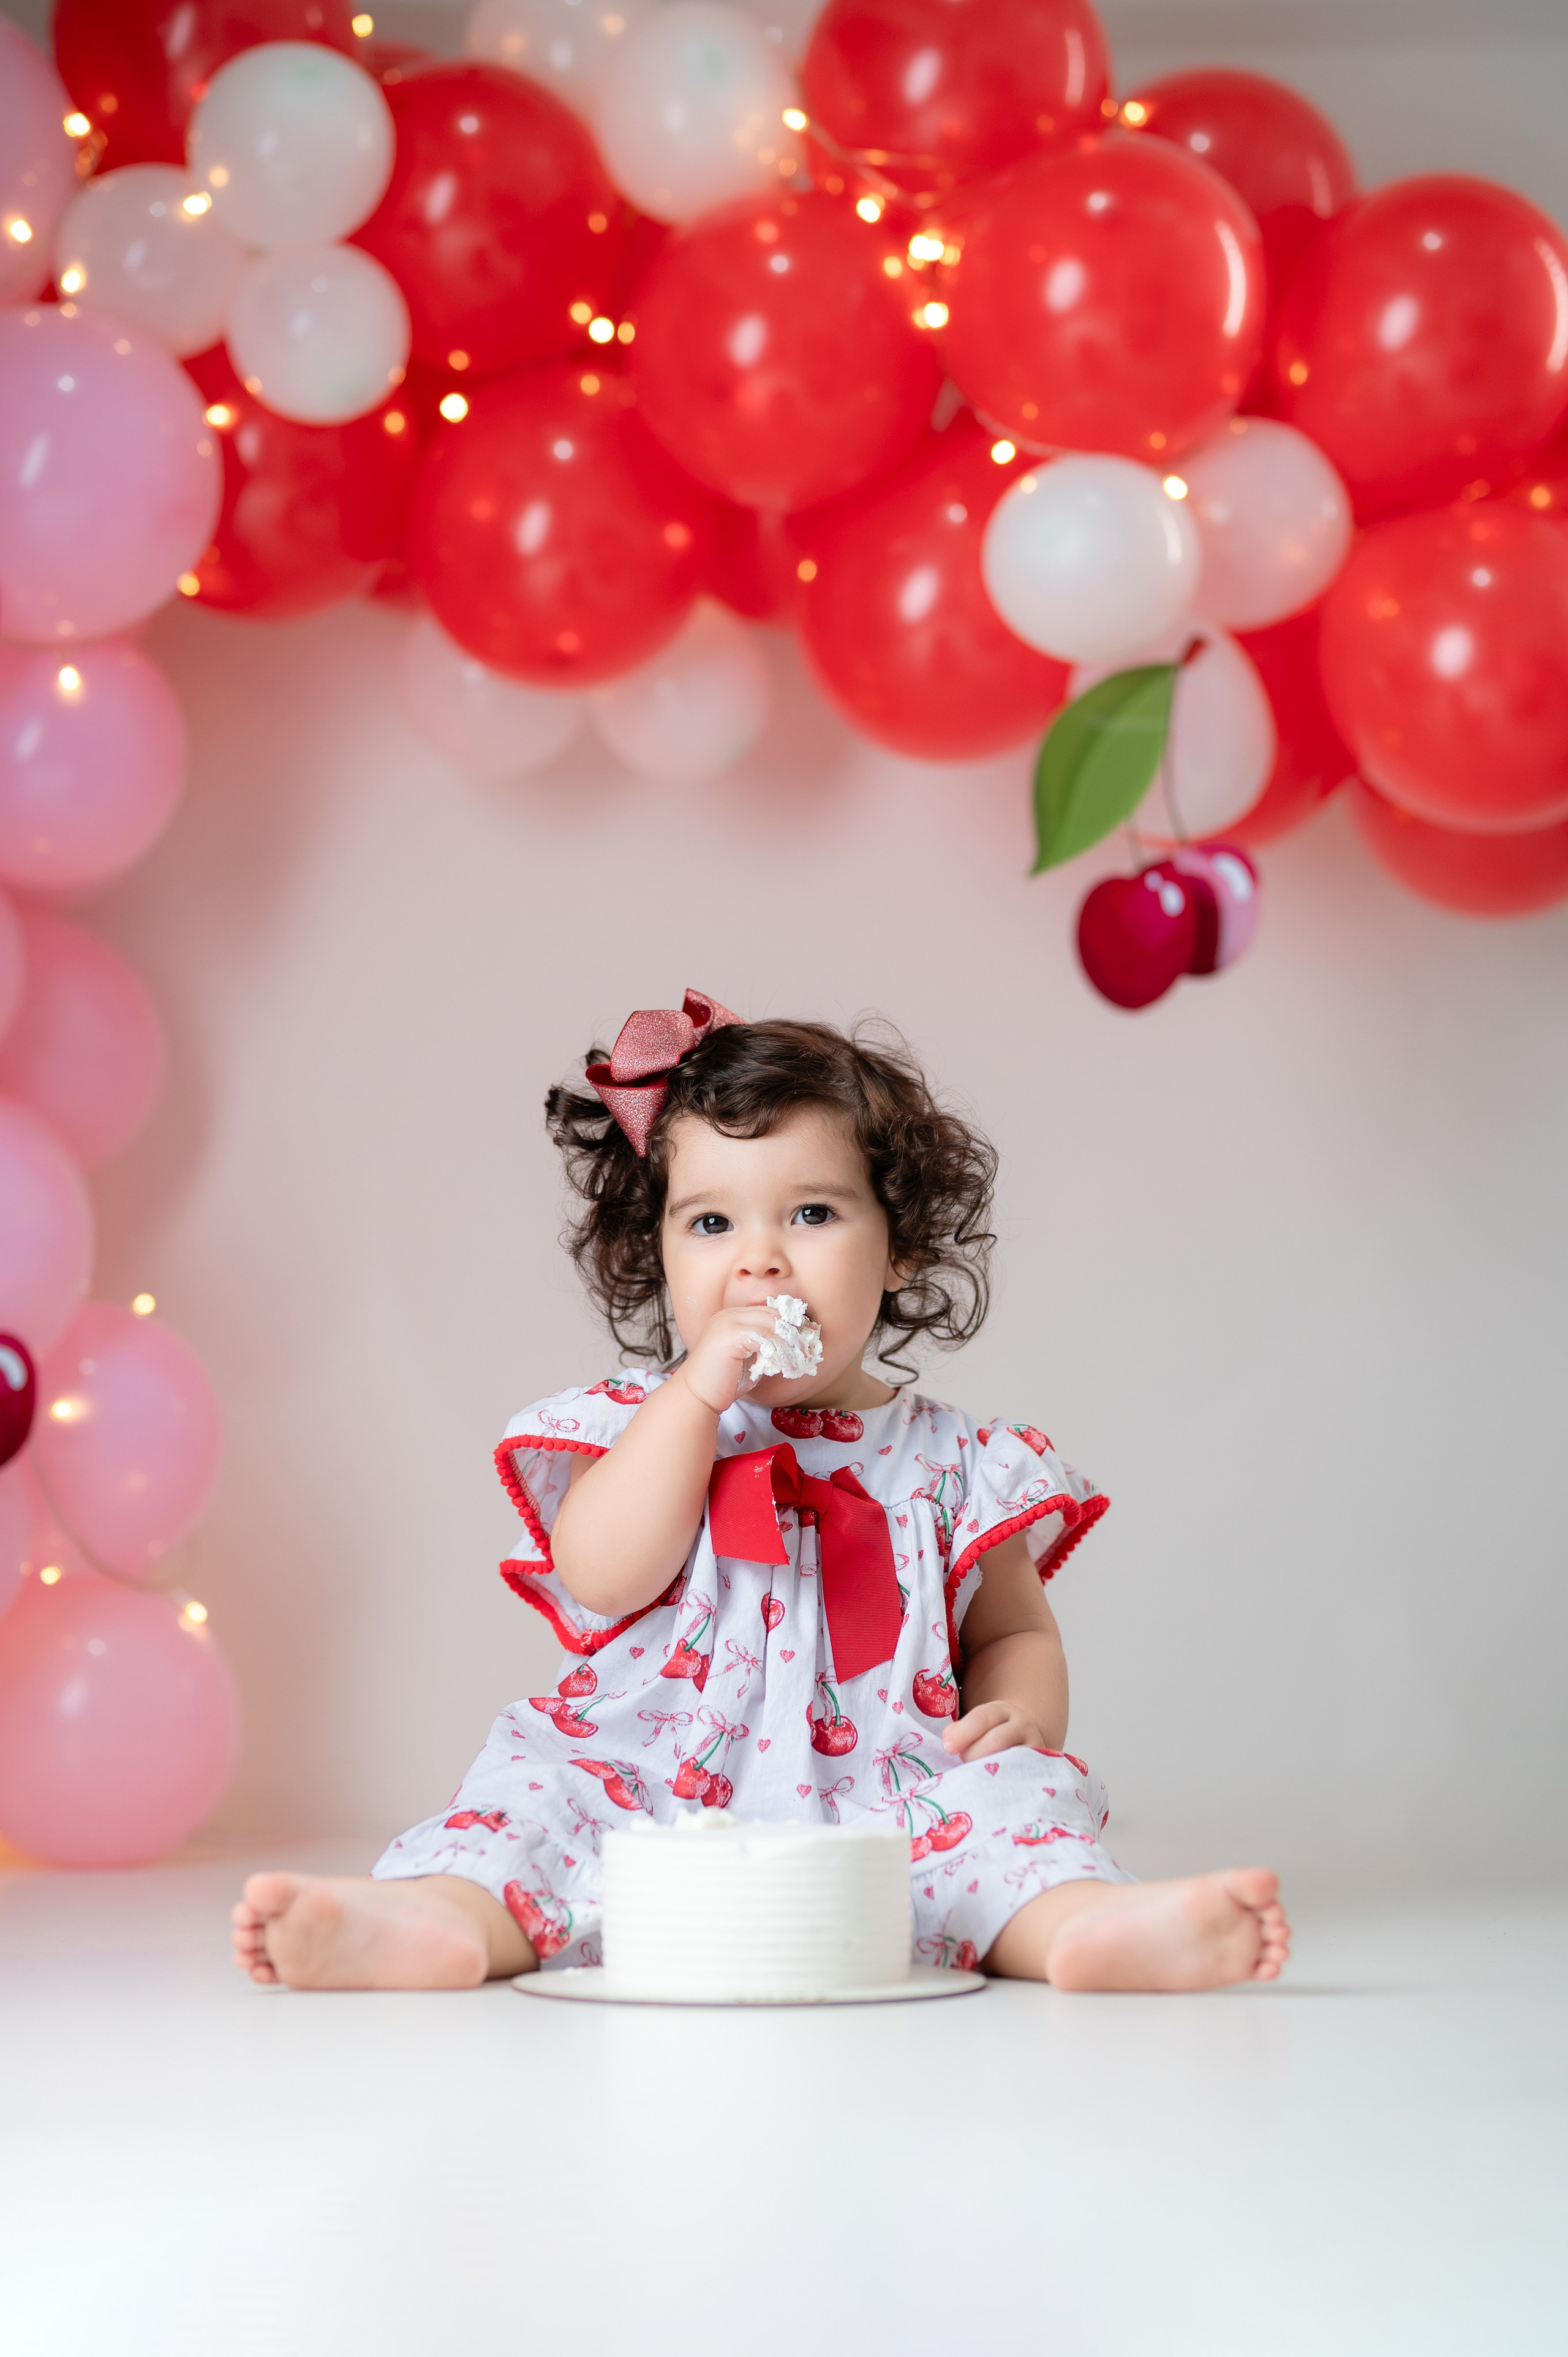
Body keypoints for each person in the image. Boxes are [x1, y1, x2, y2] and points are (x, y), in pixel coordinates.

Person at [233, 992, 1290, 1993]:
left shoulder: (961, 1462)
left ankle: (1084, 1930)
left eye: (813, 1213)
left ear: (900, 1247)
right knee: (537, 1800)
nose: (761, 1263)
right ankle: (443, 1923)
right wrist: (694, 1402)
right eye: (711, 1226)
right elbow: (602, 1574)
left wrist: (1024, 1716)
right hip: (653, 1771)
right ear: (657, 1254)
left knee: (1016, 1812)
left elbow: (1014, 1630)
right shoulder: (638, 1427)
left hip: (893, 1782)